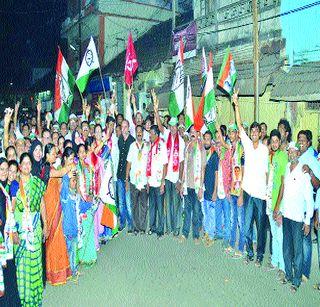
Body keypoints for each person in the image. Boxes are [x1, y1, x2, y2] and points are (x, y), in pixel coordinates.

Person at [233, 90, 269, 266]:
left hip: (261, 196)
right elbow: (239, 126)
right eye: (252, 131)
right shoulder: (247, 145)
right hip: (247, 192)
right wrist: (236, 104)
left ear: (260, 134)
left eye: (256, 131)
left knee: (260, 228)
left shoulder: (265, 150)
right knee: (246, 226)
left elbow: (267, 173)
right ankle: (249, 252)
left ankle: (260, 256)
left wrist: (268, 195)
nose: (254, 133)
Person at [276, 142, 314, 293]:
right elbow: (285, 192)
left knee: (298, 251)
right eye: (289, 151)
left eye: (294, 151)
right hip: (286, 215)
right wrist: (280, 210)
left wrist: (307, 221)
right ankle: (289, 275)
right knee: (286, 248)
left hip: (298, 218)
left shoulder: (303, 172)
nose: (291, 154)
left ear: (298, 154)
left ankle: (297, 280)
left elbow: (309, 199)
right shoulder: (287, 167)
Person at [13, 153, 47, 306]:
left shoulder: (37, 183)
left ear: (31, 166)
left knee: (36, 264)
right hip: (21, 232)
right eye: (24, 163)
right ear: (20, 166)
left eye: (29, 163)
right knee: (22, 267)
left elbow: (42, 204)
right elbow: (10, 211)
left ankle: (36, 298)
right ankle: (25, 300)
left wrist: (45, 224)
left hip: (35, 230)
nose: (26, 166)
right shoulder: (14, 185)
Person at [153, 90, 185, 237]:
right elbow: (159, 126)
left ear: (177, 127)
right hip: (166, 176)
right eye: (170, 126)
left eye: (174, 126)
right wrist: (156, 109)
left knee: (176, 202)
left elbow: (182, 162)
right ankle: (169, 227)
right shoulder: (165, 134)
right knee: (167, 202)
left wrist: (180, 179)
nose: (172, 128)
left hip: (176, 176)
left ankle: (176, 227)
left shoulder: (182, 141)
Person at [43, 144, 74, 285]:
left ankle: (61, 270)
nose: (55, 156)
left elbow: (59, 185)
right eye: (54, 154)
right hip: (49, 208)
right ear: (47, 154)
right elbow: (60, 174)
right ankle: (53, 273)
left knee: (58, 238)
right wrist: (70, 165)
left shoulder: (53, 168)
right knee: (53, 239)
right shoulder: (45, 169)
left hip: (57, 205)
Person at [297, 130, 320, 282]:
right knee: (299, 237)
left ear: (309, 142)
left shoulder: (312, 157)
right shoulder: (299, 156)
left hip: (309, 203)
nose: (300, 142)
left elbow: (318, 183)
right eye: (299, 139)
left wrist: (310, 172)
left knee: (306, 238)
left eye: (303, 140)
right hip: (298, 203)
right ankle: (299, 267)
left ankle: (305, 271)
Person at [266, 129, 288, 275]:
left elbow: (282, 184)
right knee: (274, 233)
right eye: (272, 141)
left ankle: (283, 266)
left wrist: (277, 206)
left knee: (280, 235)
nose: (274, 144)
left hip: (278, 204)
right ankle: (275, 261)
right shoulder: (270, 157)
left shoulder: (282, 157)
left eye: (276, 141)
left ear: (279, 142)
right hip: (269, 200)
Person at [180, 125, 206, 244]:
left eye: (194, 131)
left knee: (196, 212)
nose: (192, 133)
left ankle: (196, 235)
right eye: (191, 132)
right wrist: (181, 183)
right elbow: (185, 166)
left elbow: (203, 169)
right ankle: (184, 233)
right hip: (187, 185)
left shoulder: (201, 149)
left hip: (196, 186)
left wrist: (201, 187)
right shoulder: (187, 147)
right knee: (187, 211)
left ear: (198, 133)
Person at [0, 158, 20, 306]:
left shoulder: (5, 189)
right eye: (1, 169)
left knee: (9, 276)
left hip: (6, 237)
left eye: (6, 169)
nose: (4, 172)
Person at [126, 125, 149, 234]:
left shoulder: (147, 146)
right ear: (135, 133)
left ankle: (142, 227)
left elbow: (150, 164)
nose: (139, 133)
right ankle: (135, 227)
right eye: (137, 132)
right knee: (134, 204)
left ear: (143, 133)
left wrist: (149, 180)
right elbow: (128, 163)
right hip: (134, 181)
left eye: (141, 132)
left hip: (144, 180)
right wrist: (126, 179)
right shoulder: (132, 146)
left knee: (144, 205)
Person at [146, 125, 168, 239]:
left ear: (156, 134)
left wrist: (163, 182)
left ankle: (160, 230)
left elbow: (165, 165)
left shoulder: (162, 146)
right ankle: (152, 227)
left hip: (159, 182)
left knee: (160, 207)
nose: (150, 135)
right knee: (152, 206)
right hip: (151, 181)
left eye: (151, 133)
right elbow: (149, 164)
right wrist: (148, 181)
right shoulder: (150, 146)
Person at [117, 119, 135, 233]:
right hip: (119, 174)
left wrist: (128, 178)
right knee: (121, 202)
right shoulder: (119, 140)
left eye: (125, 127)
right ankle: (122, 222)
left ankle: (131, 224)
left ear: (128, 128)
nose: (123, 129)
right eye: (122, 127)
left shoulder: (132, 141)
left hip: (128, 177)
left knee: (128, 202)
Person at [202, 131, 219, 247]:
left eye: (208, 139)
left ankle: (211, 236)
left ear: (211, 141)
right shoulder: (203, 154)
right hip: (204, 189)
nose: (206, 141)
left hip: (212, 189)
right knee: (206, 212)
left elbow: (217, 174)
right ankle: (207, 233)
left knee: (211, 213)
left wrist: (215, 191)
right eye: (205, 139)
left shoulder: (214, 155)